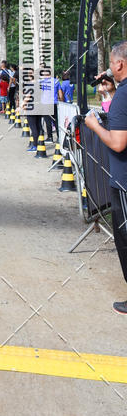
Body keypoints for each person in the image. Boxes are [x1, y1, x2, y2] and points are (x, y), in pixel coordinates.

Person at [84, 42, 127, 315]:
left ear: (119, 64)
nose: (109, 68)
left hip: (124, 181)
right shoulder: (121, 94)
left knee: (125, 237)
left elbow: (118, 142)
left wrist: (94, 125)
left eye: (111, 63)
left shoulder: (124, 95)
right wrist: (111, 92)